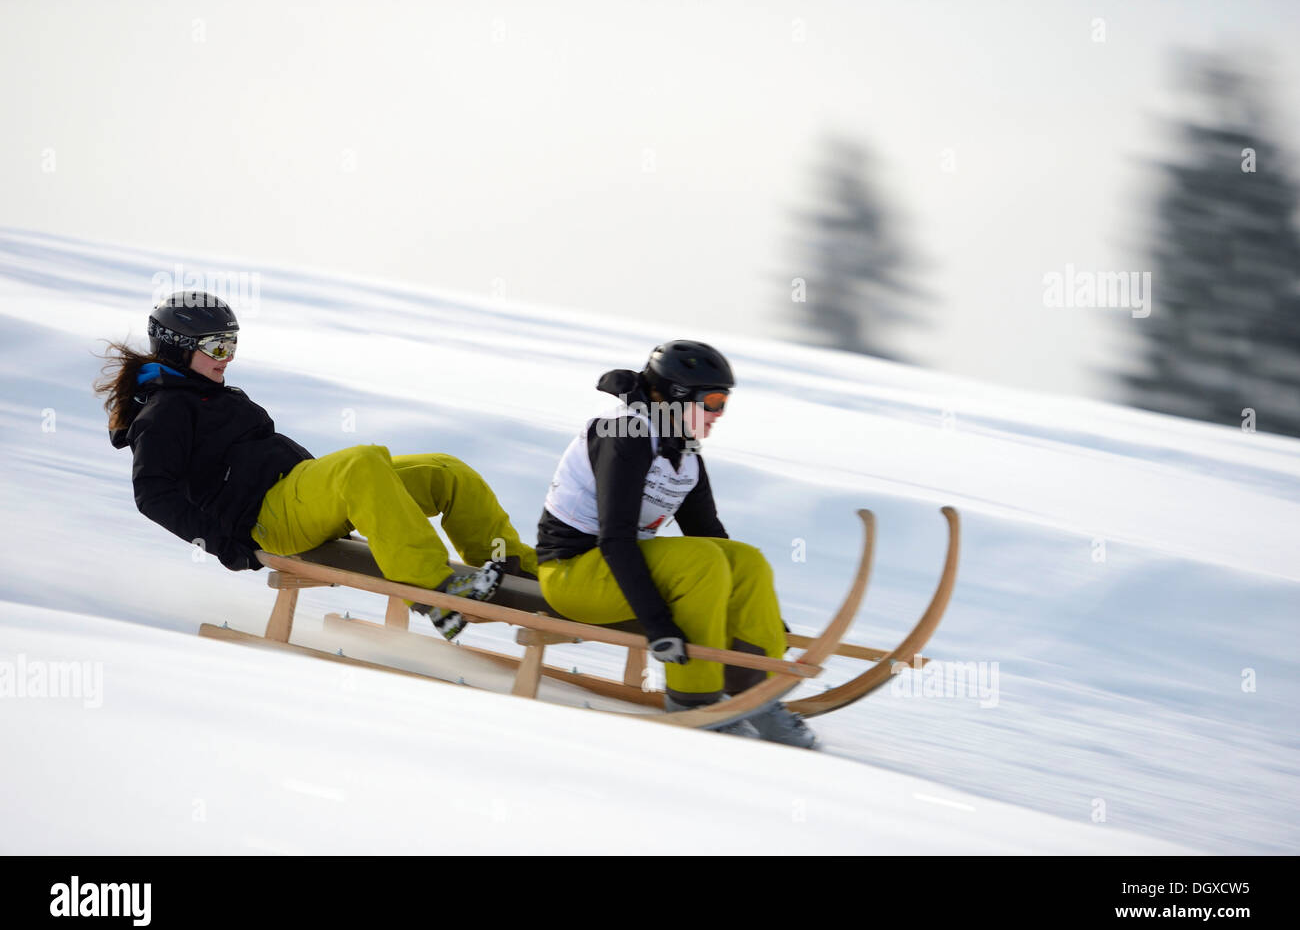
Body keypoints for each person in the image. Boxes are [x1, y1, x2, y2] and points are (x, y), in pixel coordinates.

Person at [95, 290, 536, 639]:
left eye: (233, 343)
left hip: (298, 493)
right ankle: (436, 593)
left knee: (444, 471)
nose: (228, 356)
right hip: (268, 520)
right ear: (178, 347)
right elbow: (153, 494)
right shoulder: (164, 413)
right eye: (217, 346)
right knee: (360, 464)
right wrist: (228, 547)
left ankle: (515, 566)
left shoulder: (206, 392)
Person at [535, 340, 817, 747]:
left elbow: (710, 535)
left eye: (725, 403)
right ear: (674, 397)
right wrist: (659, 627)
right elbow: (615, 539)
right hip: (572, 576)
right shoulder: (624, 433)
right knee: (702, 562)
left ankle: (758, 692)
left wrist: (760, 618)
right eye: (714, 401)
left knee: (745, 559)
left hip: (614, 576)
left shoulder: (682, 454)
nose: (719, 415)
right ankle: (694, 703)